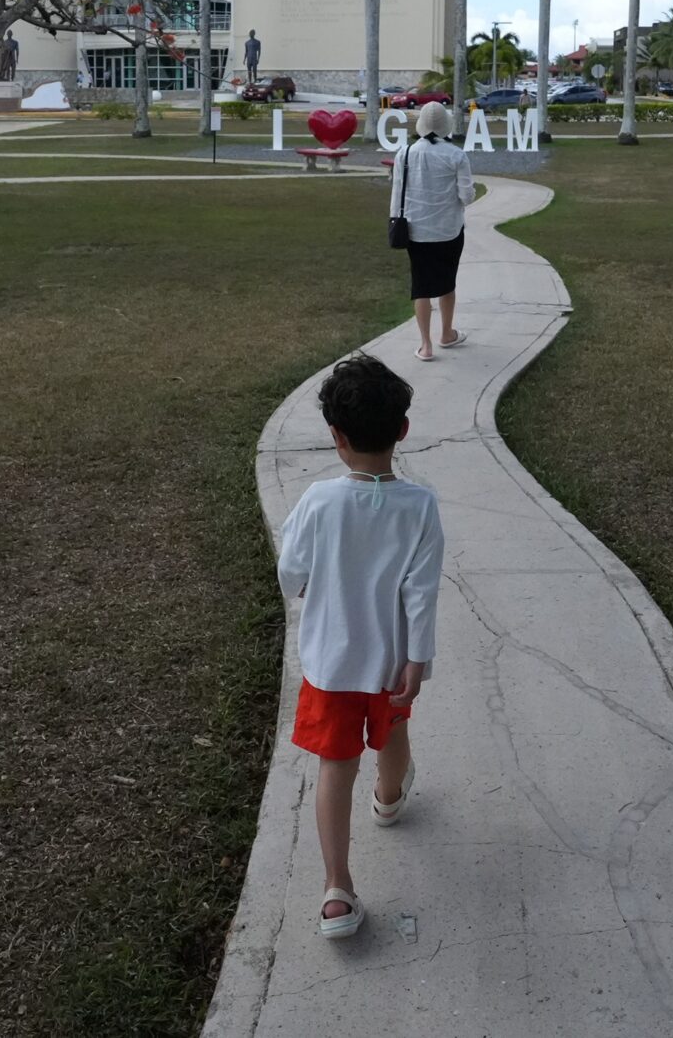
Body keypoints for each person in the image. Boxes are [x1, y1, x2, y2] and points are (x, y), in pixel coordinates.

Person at [276, 353, 444, 941]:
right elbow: (422, 592)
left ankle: (336, 891)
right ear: (402, 429)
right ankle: (391, 798)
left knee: (334, 767)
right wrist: (417, 658)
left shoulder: (319, 501)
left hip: (330, 666)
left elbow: (290, 574)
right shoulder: (420, 507)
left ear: (335, 437)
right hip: (391, 665)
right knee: (394, 735)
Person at [395, 100, 475, 362]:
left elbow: (398, 194)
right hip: (448, 230)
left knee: (420, 286)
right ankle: (447, 334)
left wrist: (396, 220)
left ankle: (425, 345)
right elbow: (466, 196)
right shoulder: (456, 155)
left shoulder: (404, 154)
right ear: (445, 127)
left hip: (415, 231)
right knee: (447, 282)